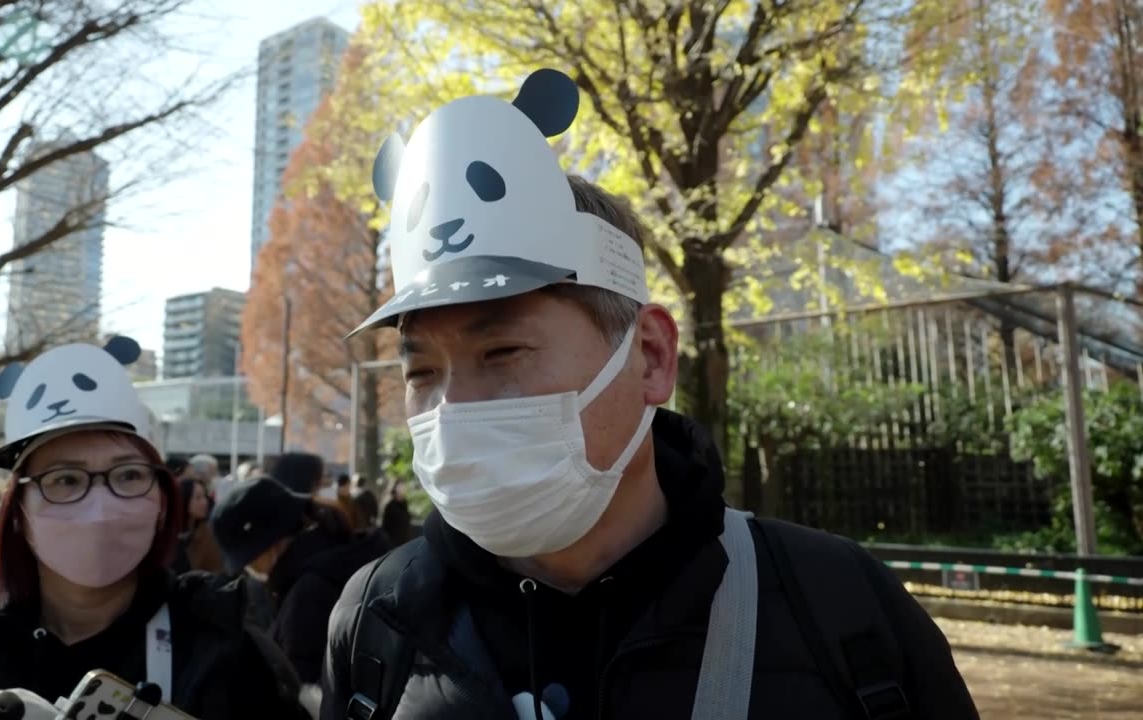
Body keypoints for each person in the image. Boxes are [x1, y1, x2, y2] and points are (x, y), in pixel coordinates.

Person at [320, 70, 977, 719]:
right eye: (421, 374)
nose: (451, 411)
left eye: (502, 352)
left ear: (652, 357)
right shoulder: (378, 620)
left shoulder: (842, 609)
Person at [0, 337, 308, 720]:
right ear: (18, 510)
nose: (100, 508)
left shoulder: (230, 661)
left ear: (161, 501)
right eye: (65, 480)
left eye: (128, 475)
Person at [210, 476, 388, 712]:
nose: (248, 569)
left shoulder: (307, 594)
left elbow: (300, 694)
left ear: (270, 545)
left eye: (248, 559)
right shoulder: (342, 553)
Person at [172, 477, 224, 575]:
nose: (205, 502)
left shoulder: (207, 532)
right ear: (183, 498)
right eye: (198, 498)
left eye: (205, 496)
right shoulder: (167, 533)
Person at [379, 480, 412, 547]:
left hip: (404, 540)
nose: (403, 489)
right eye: (401, 486)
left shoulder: (404, 502)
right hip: (392, 541)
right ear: (395, 487)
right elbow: (384, 523)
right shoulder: (390, 503)